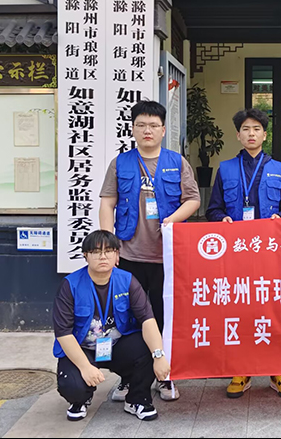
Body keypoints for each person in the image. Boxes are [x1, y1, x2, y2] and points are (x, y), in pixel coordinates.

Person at [99, 100, 200, 402]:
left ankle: (166, 376)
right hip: (128, 255)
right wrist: (109, 245)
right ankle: (129, 378)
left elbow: (193, 199)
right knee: (127, 319)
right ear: (132, 128)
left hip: (166, 257)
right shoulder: (120, 163)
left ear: (163, 130)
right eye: (141, 125)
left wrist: (173, 219)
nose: (147, 130)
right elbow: (107, 203)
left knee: (163, 317)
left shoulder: (177, 162)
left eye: (153, 125)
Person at [206, 108, 281, 399]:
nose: (251, 134)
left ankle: (278, 369)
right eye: (246, 129)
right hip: (238, 254)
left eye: (256, 129)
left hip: (271, 253)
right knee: (241, 310)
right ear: (238, 135)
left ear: (265, 135)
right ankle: (242, 369)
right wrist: (222, 219)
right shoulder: (225, 169)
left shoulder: (280, 169)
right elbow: (213, 209)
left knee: (276, 310)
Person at [53, 230, 171, 422]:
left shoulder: (127, 280)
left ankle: (137, 399)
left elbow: (147, 320)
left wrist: (159, 355)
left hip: (117, 345)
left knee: (148, 347)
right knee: (72, 385)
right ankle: (81, 399)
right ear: (85, 255)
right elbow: (63, 333)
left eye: (108, 251)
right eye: (96, 252)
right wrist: (85, 367)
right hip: (84, 348)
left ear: (117, 255)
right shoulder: (70, 285)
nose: (103, 256)